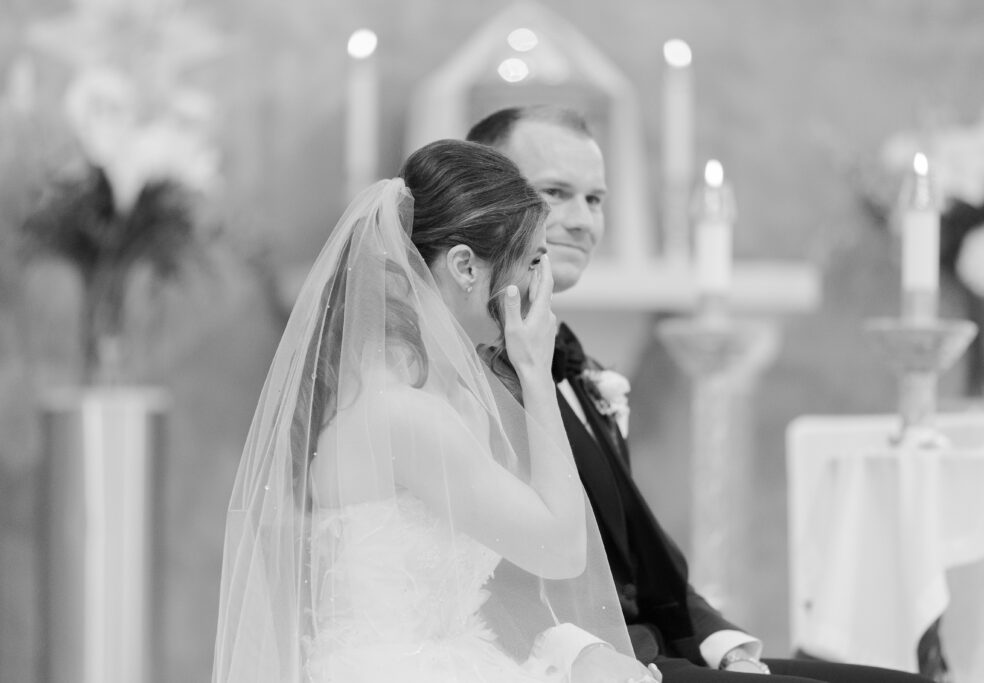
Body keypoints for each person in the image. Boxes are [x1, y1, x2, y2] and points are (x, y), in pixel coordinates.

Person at [468, 106, 935, 683]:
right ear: (488, 203)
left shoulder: (568, 356)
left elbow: (641, 551)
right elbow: (487, 573)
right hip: (575, 661)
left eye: (595, 200)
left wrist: (723, 642)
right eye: (556, 193)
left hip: (658, 648)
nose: (583, 220)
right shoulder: (473, 369)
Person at [211, 139, 663, 683]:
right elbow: (562, 551)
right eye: (533, 262)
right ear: (466, 266)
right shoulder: (404, 416)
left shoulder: (427, 396)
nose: (541, 288)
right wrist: (536, 373)